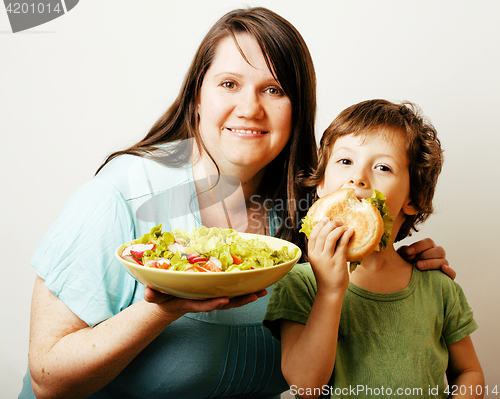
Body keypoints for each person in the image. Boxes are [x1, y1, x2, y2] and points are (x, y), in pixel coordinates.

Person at [20, 8, 451, 399]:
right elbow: (48, 379)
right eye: (229, 84)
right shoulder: (123, 193)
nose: (250, 108)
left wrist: (400, 262)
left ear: (297, 109)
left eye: (274, 90)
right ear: (197, 96)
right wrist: (159, 310)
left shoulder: (314, 211)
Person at [263, 99, 484, 399]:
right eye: (345, 161)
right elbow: (305, 386)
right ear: (322, 184)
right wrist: (329, 290)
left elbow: (468, 372)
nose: (359, 177)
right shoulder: (301, 283)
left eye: (383, 167)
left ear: (413, 199)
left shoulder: (438, 287)